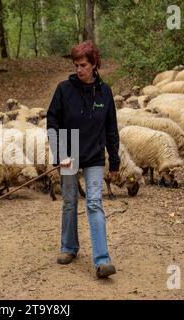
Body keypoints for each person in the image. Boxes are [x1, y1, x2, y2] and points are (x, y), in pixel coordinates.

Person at [46, 40, 120, 278]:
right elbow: (52, 122)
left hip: (95, 157)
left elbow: (111, 129)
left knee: (94, 203)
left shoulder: (105, 92)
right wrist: (59, 155)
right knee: (69, 202)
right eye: (76, 65)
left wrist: (115, 162)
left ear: (94, 64)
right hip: (69, 156)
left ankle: (102, 260)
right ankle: (69, 247)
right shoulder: (63, 90)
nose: (79, 69)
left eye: (84, 65)